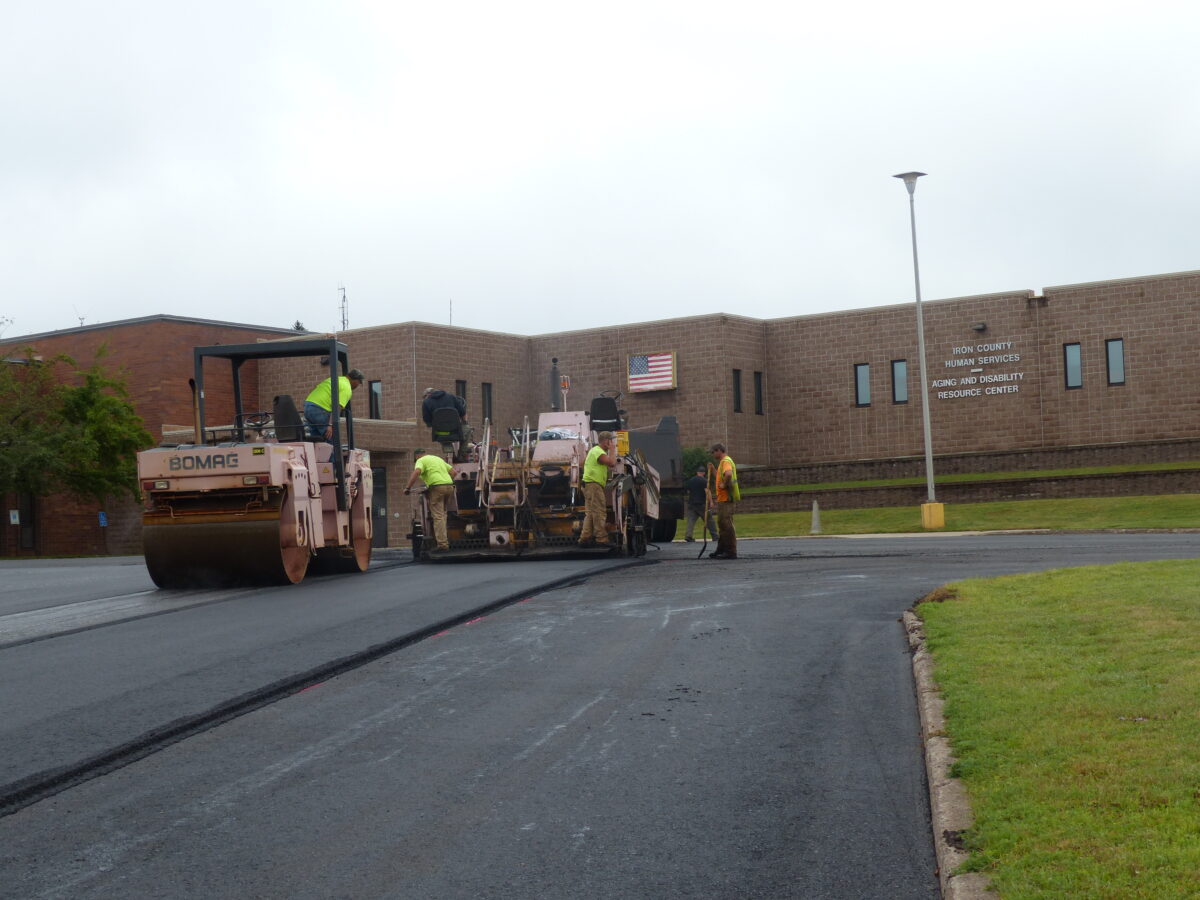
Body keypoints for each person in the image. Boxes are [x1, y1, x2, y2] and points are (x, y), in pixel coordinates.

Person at [404, 449, 458, 553]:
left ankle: (442, 545)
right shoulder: (438, 459)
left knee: (438, 517)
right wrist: (445, 481)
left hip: (437, 488)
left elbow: (416, 472)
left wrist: (407, 488)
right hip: (449, 486)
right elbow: (454, 472)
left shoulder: (421, 460)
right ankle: (445, 539)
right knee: (443, 515)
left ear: (416, 457)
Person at [578, 430, 617, 547]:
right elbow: (612, 463)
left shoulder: (593, 451)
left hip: (588, 485)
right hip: (594, 486)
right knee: (599, 512)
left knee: (590, 513)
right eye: (611, 441)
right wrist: (612, 450)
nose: (612, 443)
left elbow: (582, 463)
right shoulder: (598, 452)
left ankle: (584, 538)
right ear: (607, 442)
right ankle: (601, 539)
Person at [304, 368, 364, 444]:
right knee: (332, 440)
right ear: (356, 380)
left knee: (317, 440)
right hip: (320, 409)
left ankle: (319, 455)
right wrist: (330, 425)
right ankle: (333, 456)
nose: (358, 385)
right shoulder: (347, 387)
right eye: (359, 383)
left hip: (308, 406)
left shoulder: (336, 379)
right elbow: (337, 407)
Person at [421, 387, 472, 459]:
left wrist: (435, 424)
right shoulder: (451, 397)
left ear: (428, 395)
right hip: (456, 431)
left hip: (440, 433)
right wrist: (465, 423)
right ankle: (462, 454)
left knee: (444, 438)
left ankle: (450, 451)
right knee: (467, 429)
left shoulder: (426, 402)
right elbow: (463, 413)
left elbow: (427, 421)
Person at [709, 443, 738, 559]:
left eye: (713, 452)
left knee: (727, 525)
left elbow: (729, 474)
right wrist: (713, 470)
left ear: (718, 451)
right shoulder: (722, 463)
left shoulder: (726, 461)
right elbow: (721, 477)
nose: (712, 455)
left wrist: (724, 484)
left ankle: (731, 551)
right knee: (722, 524)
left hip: (727, 498)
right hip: (723, 499)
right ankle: (721, 549)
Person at [683, 466, 718, 542]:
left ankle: (688, 536)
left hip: (691, 504)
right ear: (704, 473)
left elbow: (688, 491)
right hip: (701, 504)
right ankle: (715, 536)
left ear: (697, 472)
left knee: (691, 521)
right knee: (709, 520)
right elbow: (707, 491)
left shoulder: (691, 480)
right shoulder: (704, 481)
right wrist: (711, 502)